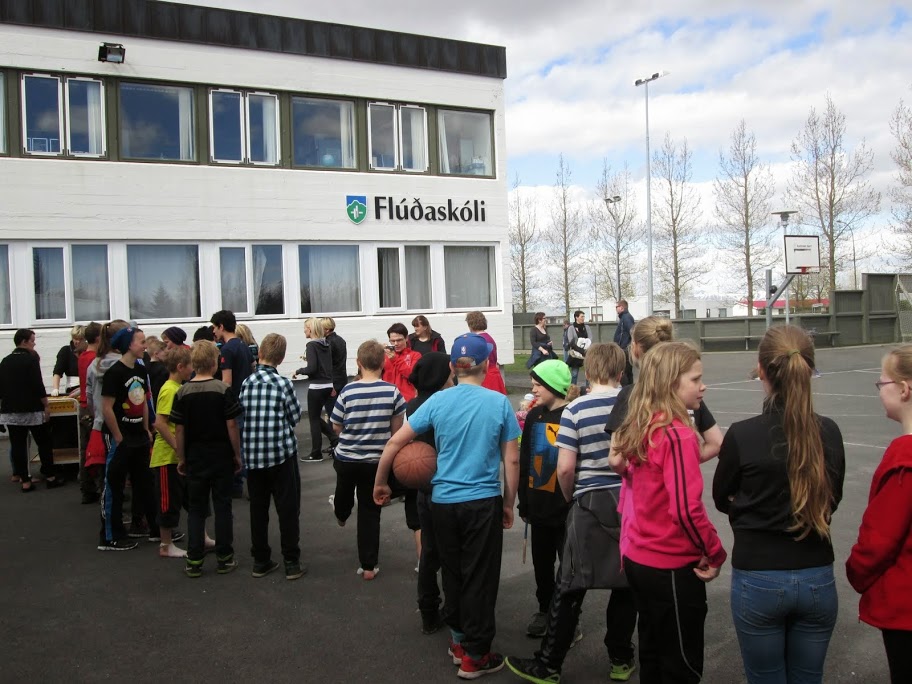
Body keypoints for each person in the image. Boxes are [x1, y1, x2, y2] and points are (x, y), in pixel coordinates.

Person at [373, 332, 521, 680]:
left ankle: (458, 641)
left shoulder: (437, 401)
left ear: (454, 366)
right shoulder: (499, 403)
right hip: (481, 501)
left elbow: (394, 443)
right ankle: (476, 655)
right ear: (486, 365)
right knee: (480, 577)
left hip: (442, 502)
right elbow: (511, 460)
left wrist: (380, 481)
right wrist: (509, 502)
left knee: (452, 573)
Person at [713, 325, 845, 684]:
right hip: (816, 574)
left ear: (762, 369)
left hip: (759, 576)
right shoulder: (829, 432)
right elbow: (833, 497)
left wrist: (752, 508)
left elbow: (722, 497)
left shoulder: (742, 435)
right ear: (809, 368)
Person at [507, 342, 637, 683]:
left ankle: (549, 664)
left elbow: (565, 468)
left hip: (588, 502)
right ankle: (621, 658)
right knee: (625, 584)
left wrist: (571, 497)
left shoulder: (576, 410)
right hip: (630, 503)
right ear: (620, 372)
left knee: (570, 584)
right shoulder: (636, 404)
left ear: (588, 372)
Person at [609, 341, 727, 684]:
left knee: (653, 651)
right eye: (696, 379)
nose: (703, 386)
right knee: (680, 663)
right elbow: (686, 510)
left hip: (639, 557)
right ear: (672, 383)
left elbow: (625, 474)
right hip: (669, 565)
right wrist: (714, 551)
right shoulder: (676, 435)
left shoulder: (644, 424)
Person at [847, 346, 912, 683]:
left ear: (903, 389)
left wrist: (856, 574)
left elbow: (879, 540)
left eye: (882, 383)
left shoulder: (904, 460)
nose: (879, 389)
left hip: (905, 605)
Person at [329, 340, 406, 580]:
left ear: (358, 363)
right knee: (370, 511)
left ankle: (341, 513)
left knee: (343, 490)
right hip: (376, 461)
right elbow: (396, 431)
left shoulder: (347, 391)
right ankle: (369, 566)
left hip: (347, 458)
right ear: (383, 363)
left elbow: (336, 425)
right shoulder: (393, 392)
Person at [605, 316, 723, 464]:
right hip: (682, 475)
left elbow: (616, 459)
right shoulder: (684, 393)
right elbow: (716, 442)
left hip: (645, 477)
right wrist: (682, 460)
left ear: (635, 348)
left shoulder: (632, 395)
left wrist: (644, 470)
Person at [172, 340, 243, 577]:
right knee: (223, 506)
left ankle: (194, 559)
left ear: (193, 364)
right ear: (215, 363)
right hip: (220, 455)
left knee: (196, 509)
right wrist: (236, 454)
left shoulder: (182, 392)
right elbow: (231, 424)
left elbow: (179, 429)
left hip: (195, 456)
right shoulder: (222, 390)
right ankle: (224, 557)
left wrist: (181, 456)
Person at [239, 333, 306, 581]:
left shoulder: (247, 383)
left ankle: (260, 560)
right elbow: (294, 416)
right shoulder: (283, 384)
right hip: (280, 454)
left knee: (258, 509)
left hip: (254, 454)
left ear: (260, 353)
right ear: (281, 357)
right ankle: (291, 561)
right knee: (287, 508)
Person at [517, 359, 574, 639]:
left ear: (554, 386)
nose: (533, 389)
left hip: (566, 508)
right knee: (542, 564)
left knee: (568, 568)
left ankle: (567, 619)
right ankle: (544, 609)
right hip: (538, 506)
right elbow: (526, 459)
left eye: (538, 385)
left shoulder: (571, 416)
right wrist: (523, 501)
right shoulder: (534, 416)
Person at [403, 351, 453, 634]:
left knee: (429, 554)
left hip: (423, 486)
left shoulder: (412, 404)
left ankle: (428, 610)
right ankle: (453, 610)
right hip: (445, 485)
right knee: (451, 554)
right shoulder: (442, 404)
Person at [99, 326, 158, 550]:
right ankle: (111, 536)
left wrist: (145, 429)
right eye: (141, 341)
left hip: (138, 435)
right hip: (121, 436)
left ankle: (154, 527)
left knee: (145, 482)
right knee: (115, 485)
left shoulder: (141, 370)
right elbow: (107, 408)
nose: (145, 346)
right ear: (129, 345)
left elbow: (142, 401)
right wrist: (118, 436)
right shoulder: (114, 373)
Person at [0, 329, 65, 492]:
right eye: (32, 341)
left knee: (18, 445)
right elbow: (37, 384)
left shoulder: (5, 361)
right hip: (32, 408)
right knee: (43, 442)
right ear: (24, 342)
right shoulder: (30, 360)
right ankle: (50, 476)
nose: (34, 344)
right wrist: (46, 405)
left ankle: (25, 480)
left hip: (11, 410)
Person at [150, 346, 193, 558]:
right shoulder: (170, 390)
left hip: (178, 456)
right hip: (167, 457)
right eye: (190, 365)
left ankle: (202, 536)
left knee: (190, 498)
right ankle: (166, 544)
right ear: (180, 366)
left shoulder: (178, 387)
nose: (192, 369)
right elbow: (160, 423)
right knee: (168, 502)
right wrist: (177, 447)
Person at [210, 310, 252, 497]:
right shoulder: (243, 345)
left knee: (237, 445)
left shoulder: (227, 350)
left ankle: (242, 485)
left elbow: (226, 381)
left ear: (221, 326)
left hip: (233, 403)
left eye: (214, 327)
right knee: (244, 443)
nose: (213, 331)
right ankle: (242, 485)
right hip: (245, 399)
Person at [294, 317, 335, 463]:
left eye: (305, 328)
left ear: (310, 329)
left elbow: (312, 368)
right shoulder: (326, 344)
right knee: (316, 418)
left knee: (313, 420)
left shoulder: (311, 345)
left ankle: (316, 452)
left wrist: (299, 370)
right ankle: (335, 440)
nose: (304, 330)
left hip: (316, 386)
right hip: (328, 384)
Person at [78, 322, 102, 504]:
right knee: (95, 450)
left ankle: (87, 487)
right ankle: (94, 487)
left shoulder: (83, 356)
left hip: (84, 404)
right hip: (91, 406)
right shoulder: (94, 359)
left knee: (86, 448)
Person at [466, 310, 507, 394]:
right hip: (494, 374)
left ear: (470, 324)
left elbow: (475, 362)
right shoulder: (488, 337)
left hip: (485, 376)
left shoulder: (477, 340)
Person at [382, 322, 421, 402]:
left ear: (406, 338)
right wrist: (377, 351)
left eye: (399, 340)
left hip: (407, 400)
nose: (396, 344)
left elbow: (412, 375)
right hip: (387, 399)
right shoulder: (384, 356)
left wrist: (395, 359)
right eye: (392, 341)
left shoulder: (415, 355)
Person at [51, 324, 85, 396]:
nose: (78, 341)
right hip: (72, 388)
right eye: (75, 338)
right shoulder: (65, 351)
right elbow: (57, 372)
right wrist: (55, 388)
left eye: (81, 339)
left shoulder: (89, 351)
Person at [566, 310, 592, 387]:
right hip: (576, 353)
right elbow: (571, 341)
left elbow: (590, 338)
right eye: (581, 316)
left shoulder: (587, 327)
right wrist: (580, 350)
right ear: (576, 317)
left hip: (586, 353)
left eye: (584, 316)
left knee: (588, 373)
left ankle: (588, 388)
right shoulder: (571, 328)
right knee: (574, 373)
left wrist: (586, 349)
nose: (583, 318)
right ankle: (573, 389)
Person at [613, 300, 635, 386]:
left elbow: (632, 331)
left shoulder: (626, 317)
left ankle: (627, 389)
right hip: (624, 348)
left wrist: (626, 345)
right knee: (626, 371)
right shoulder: (623, 317)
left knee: (625, 371)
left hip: (625, 349)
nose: (616, 309)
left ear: (621, 307)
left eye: (617, 307)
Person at [145, 336, 169, 411]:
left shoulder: (144, 368)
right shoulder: (163, 370)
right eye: (166, 354)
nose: (167, 356)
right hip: (160, 402)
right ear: (156, 354)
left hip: (148, 401)